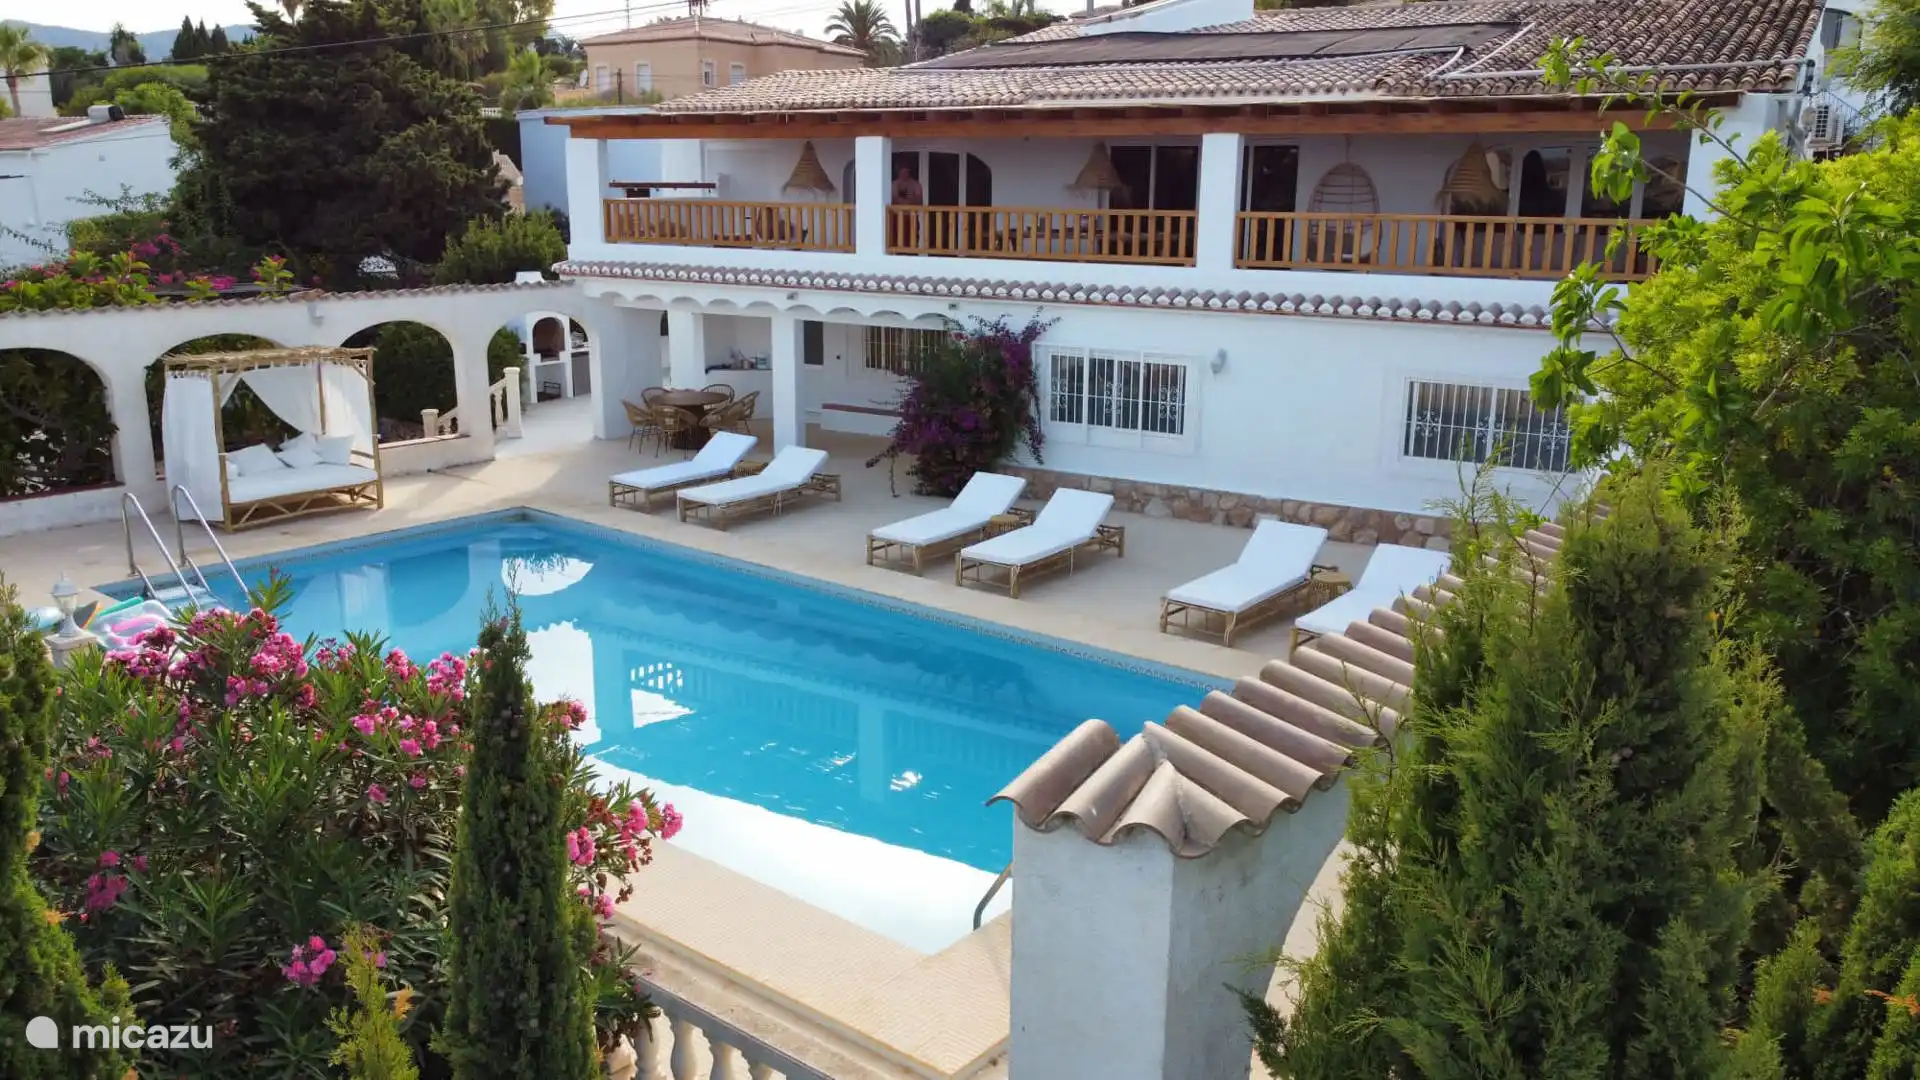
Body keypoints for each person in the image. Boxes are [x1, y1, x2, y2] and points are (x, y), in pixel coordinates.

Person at [890, 165, 924, 251]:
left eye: (906, 171)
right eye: (902, 171)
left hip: (911, 217)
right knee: (895, 240)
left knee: (911, 241)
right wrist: (901, 201)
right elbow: (892, 199)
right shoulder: (894, 184)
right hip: (896, 216)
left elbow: (919, 201)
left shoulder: (915, 184)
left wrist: (908, 200)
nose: (904, 174)